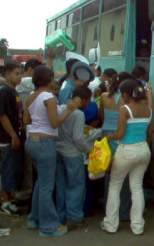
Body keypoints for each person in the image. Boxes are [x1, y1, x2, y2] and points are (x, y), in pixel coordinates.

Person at [24, 65, 79, 237]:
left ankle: (34, 218)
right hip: (45, 143)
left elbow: (26, 119)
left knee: (41, 183)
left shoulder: (31, 97)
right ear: (49, 79)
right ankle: (48, 227)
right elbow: (55, 123)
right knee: (47, 186)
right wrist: (70, 109)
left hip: (32, 141)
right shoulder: (49, 97)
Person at [102, 79, 152, 235]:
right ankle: (137, 226)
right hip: (144, 150)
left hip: (126, 151)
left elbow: (120, 133)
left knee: (115, 186)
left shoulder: (125, 109)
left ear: (125, 94)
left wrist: (110, 137)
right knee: (137, 187)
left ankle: (111, 224)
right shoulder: (147, 109)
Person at [55, 86, 92, 229]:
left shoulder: (59, 109)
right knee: (76, 186)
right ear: (83, 100)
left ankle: (61, 216)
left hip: (58, 151)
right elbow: (78, 139)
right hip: (73, 154)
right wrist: (89, 150)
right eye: (88, 100)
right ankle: (74, 217)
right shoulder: (78, 114)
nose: (88, 104)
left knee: (61, 185)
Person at [99, 69, 131, 221]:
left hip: (106, 136)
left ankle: (108, 208)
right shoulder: (127, 101)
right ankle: (123, 211)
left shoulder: (104, 96)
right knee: (123, 176)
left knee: (108, 174)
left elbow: (102, 116)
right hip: (120, 136)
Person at [0, 61, 23, 216]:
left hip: (14, 137)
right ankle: (5, 201)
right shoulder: (5, 91)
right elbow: (1, 115)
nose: (19, 77)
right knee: (7, 169)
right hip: (7, 138)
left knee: (12, 170)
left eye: (20, 74)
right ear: (7, 74)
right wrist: (12, 135)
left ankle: (10, 198)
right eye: (16, 73)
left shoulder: (14, 91)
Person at [16, 58, 43, 201]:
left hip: (25, 130)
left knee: (27, 164)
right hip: (34, 133)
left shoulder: (23, 86)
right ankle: (29, 192)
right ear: (32, 70)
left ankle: (26, 191)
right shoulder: (28, 82)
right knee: (30, 165)